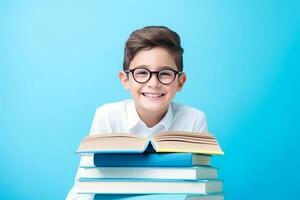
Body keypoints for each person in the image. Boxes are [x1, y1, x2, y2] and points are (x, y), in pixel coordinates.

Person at [66, 26, 208, 200]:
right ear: (125, 80)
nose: (153, 83)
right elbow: (85, 186)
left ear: (180, 82)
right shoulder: (107, 117)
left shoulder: (193, 120)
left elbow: (198, 189)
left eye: (165, 74)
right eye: (142, 73)